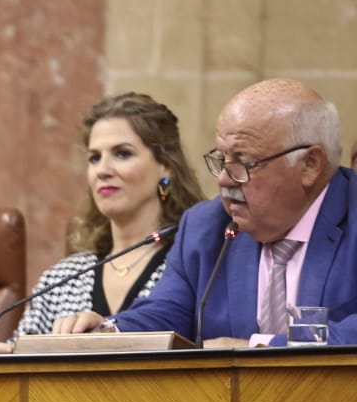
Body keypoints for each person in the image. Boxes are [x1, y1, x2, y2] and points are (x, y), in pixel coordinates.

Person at [54, 78, 357, 347]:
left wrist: (257, 346)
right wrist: (112, 330)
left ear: (309, 165)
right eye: (222, 159)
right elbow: (167, 312)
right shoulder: (206, 227)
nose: (224, 179)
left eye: (244, 161)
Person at [0, 92, 203, 351]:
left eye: (122, 154)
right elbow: (16, 362)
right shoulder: (62, 278)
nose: (103, 170)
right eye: (94, 158)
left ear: (166, 167)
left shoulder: (190, 268)